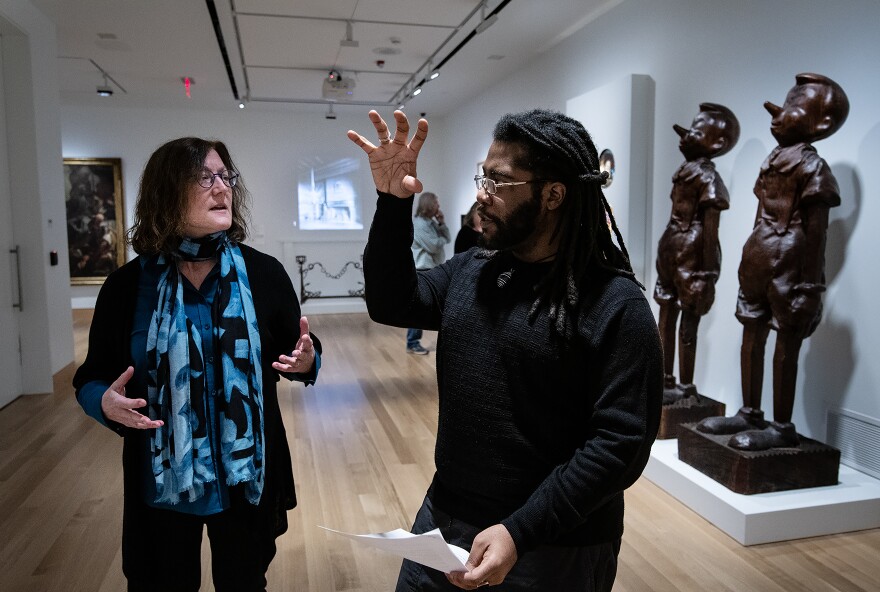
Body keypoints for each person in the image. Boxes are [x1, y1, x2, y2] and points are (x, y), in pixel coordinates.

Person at [349, 109, 663, 591]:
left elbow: (619, 446)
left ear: (553, 194)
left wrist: (520, 531)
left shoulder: (615, 305)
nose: (482, 194)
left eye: (499, 181)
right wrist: (392, 203)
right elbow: (391, 300)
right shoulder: (473, 270)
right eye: (483, 176)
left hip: (552, 545)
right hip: (446, 519)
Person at [72, 137, 322, 592]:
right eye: (204, 177)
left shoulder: (263, 274)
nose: (222, 188)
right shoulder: (127, 287)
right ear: (167, 192)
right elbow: (91, 377)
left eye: (226, 176)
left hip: (245, 479)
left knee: (245, 583)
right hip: (162, 482)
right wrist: (103, 403)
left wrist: (306, 361)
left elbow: (301, 347)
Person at [698, 73, 849, 451]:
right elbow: (759, 217)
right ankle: (750, 411)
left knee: (786, 346)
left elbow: (818, 236)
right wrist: (748, 260)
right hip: (759, 264)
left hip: (791, 272)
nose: (777, 111)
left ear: (822, 124)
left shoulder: (814, 169)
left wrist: (811, 287)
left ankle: (782, 426)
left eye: (793, 107)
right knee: (751, 335)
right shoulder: (772, 161)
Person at [654, 103, 739, 404]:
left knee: (688, 320)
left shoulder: (708, 178)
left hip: (692, 256)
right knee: (666, 314)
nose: (687, 134)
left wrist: (706, 272)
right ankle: (664, 379)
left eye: (698, 131)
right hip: (672, 250)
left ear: (717, 143)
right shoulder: (685, 173)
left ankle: (686, 385)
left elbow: (711, 230)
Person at [407, 191, 450, 354]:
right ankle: (412, 342)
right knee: (419, 306)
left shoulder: (431, 223)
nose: (439, 206)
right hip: (422, 269)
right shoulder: (419, 224)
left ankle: (414, 341)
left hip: (431, 267)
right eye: (436, 203)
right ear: (429, 205)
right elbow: (433, 246)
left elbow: (448, 237)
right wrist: (441, 240)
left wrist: (442, 223)